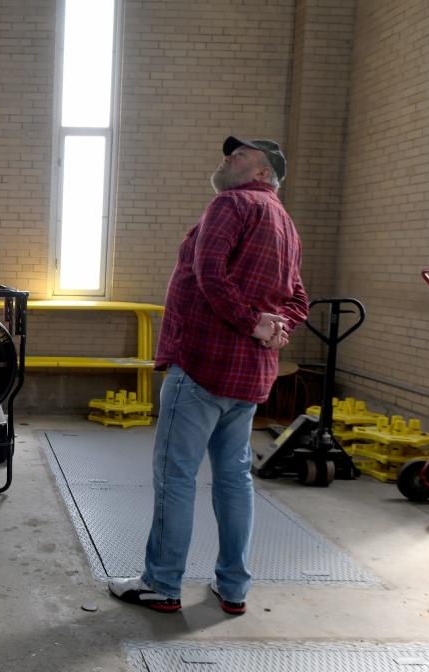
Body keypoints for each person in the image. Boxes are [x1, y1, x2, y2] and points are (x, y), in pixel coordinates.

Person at [109, 137, 308, 616]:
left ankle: (161, 583)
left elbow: (210, 274)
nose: (226, 160)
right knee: (234, 479)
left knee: (175, 476)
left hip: (204, 366)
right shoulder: (286, 224)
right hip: (249, 377)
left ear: (263, 173)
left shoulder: (231, 203)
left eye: (239, 156)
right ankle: (234, 587)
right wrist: (274, 329)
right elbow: (298, 301)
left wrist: (252, 322)